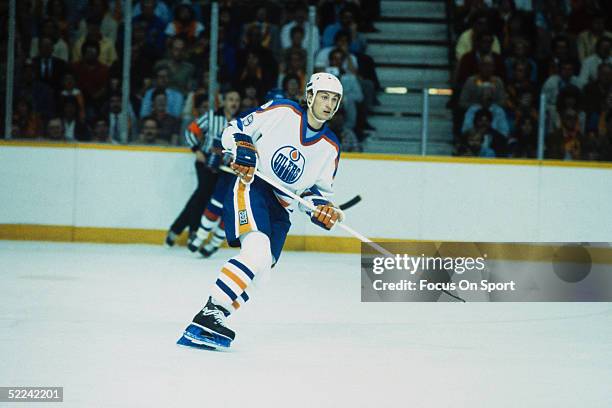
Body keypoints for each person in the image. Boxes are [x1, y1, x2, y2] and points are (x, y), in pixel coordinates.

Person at [177, 73, 345, 350]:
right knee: (256, 252)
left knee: (263, 269)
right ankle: (207, 314)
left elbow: (313, 193)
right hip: (253, 187)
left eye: (334, 99)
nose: (329, 104)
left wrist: (320, 209)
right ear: (311, 96)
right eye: (324, 96)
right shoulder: (283, 112)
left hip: (281, 209)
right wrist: (242, 146)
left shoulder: (331, 147)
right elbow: (234, 130)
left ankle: (217, 316)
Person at [166, 89, 241, 247]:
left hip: (223, 168)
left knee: (202, 196)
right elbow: (191, 131)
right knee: (203, 194)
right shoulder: (212, 116)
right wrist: (197, 150)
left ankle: (175, 230)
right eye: (230, 99)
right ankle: (192, 231)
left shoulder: (240, 122)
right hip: (205, 163)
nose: (234, 103)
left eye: (236, 100)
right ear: (224, 102)